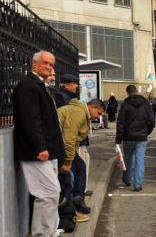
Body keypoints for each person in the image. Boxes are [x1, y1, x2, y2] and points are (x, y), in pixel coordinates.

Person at [13, 50, 63, 236]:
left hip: (47, 150)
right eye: (46, 63)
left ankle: (48, 231)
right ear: (34, 64)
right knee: (48, 193)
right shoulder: (28, 86)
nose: (49, 67)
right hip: (37, 152)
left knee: (52, 193)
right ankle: (41, 234)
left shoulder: (39, 85)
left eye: (51, 64)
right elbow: (30, 120)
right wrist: (40, 147)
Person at [58, 98, 105, 220]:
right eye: (98, 113)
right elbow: (69, 138)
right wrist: (68, 161)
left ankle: (77, 202)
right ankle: (73, 209)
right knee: (72, 175)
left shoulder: (80, 112)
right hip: (58, 146)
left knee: (80, 168)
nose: (98, 117)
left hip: (61, 145)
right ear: (91, 107)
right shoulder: (78, 113)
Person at [116, 85, 155, 191]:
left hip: (128, 137)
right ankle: (138, 184)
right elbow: (152, 121)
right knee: (140, 159)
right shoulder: (146, 103)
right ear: (137, 91)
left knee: (127, 157)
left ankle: (127, 179)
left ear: (127, 93)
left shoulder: (125, 105)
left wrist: (118, 140)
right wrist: (147, 132)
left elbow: (120, 123)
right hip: (142, 137)